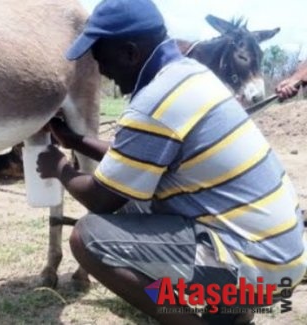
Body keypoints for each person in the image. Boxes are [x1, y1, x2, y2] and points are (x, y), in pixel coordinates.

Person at [36, 0, 307, 324]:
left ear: (131, 53)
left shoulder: (154, 102)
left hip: (259, 266)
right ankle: (232, 310)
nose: (99, 68)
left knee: (87, 238)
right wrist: (76, 141)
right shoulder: (188, 76)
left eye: (100, 55)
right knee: (134, 198)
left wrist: (60, 168)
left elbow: (101, 197)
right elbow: (133, 161)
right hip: (281, 253)